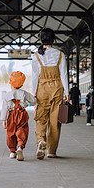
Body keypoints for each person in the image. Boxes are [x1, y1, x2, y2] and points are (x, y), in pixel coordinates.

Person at [32, 28, 70, 160]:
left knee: (41, 117)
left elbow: (35, 76)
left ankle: (40, 140)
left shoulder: (36, 55)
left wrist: (33, 93)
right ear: (53, 40)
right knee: (55, 121)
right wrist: (67, 92)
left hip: (42, 88)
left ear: (41, 39)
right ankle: (51, 151)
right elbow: (64, 75)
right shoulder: (60, 54)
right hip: (57, 89)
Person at [0, 71, 37, 161]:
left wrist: (4, 121)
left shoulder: (7, 95)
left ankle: (12, 151)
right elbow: (33, 101)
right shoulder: (24, 93)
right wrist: (34, 97)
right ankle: (20, 147)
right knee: (22, 130)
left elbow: (4, 108)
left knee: (10, 133)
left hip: (11, 115)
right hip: (22, 114)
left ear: (11, 84)